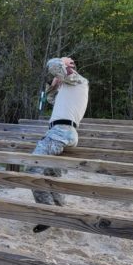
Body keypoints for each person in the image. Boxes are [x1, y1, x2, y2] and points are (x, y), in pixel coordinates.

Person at [28, 56, 89, 233]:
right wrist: (53, 85)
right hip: (60, 132)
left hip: (62, 131)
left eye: (67, 64)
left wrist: (62, 61)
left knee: (33, 168)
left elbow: (52, 64)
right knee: (51, 175)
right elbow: (50, 99)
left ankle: (47, 215)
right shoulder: (67, 90)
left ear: (70, 68)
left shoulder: (79, 81)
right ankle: (60, 212)